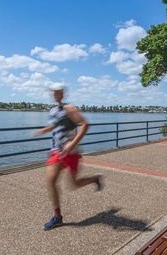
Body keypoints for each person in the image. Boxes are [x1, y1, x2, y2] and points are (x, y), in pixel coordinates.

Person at [34, 84, 104, 230]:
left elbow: (85, 125)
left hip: (71, 153)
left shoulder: (70, 108)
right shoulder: (53, 110)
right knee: (50, 181)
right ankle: (57, 217)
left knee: (74, 185)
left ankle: (94, 178)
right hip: (57, 152)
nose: (55, 95)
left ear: (62, 94)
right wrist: (44, 130)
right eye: (54, 92)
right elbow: (55, 126)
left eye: (58, 92)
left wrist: (72, 144)